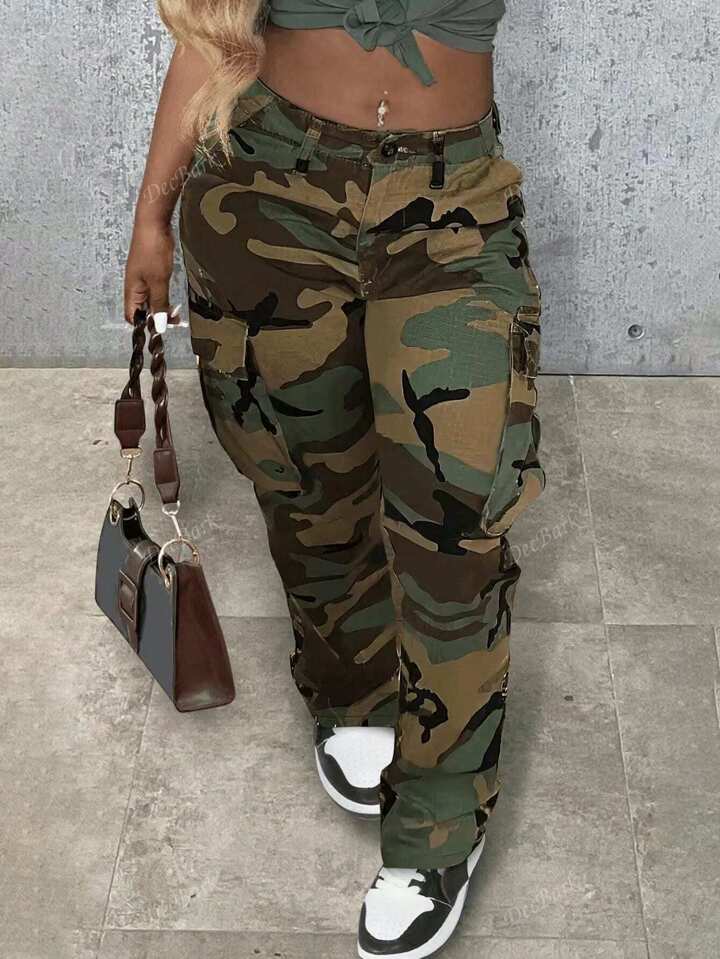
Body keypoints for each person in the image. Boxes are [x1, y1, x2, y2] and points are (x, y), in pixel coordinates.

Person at [124, 1, 545, 955]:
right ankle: (352, 687)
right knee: (306, 476)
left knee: (456, 527)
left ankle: (439, 821)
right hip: (267, 181)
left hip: (448, 205)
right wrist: (151, 216)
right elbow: (212, 31)